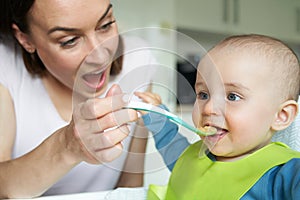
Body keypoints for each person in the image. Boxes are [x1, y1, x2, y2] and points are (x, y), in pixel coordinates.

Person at [0, 0, 157, 198]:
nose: (100, 57)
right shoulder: (4, 63)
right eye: (70, 41)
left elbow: (129, 188)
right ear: (25, 39)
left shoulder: (139, 61)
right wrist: (67, 145)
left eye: (106, 25)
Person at [139, 34, 300, 199]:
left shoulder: (285, 174)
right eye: (203, 95)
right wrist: (156, 114)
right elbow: (170, 143)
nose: (208, 108)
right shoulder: (191, 158)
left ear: (281, 115)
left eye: (232, 97)